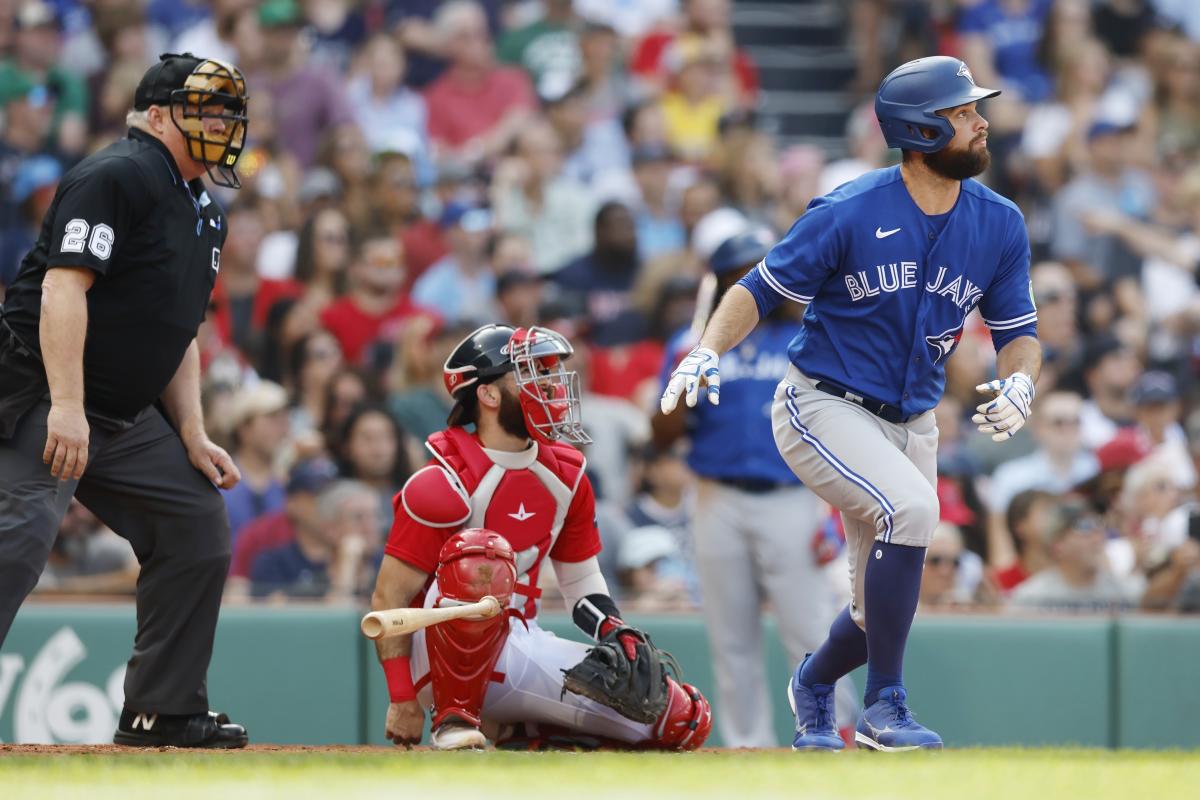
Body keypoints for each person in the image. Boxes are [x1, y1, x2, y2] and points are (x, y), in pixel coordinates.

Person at [662, 57, 1042, 752]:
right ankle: (884, 708)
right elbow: (760, 286)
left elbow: (1019, 332)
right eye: (964, 113)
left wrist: (1021, 381)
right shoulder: (849, 208)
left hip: (913, 419)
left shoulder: (1000, 221)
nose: (982, 121)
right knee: (915, 511)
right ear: (922, 130)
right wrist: (708, 348)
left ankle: (813, 681)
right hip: (821, 405)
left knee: (878, 609)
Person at [0, 53, 250, 748]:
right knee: (17, 541)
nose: (225, 124)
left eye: (229, 111)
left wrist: (193, 432)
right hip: (35, 392)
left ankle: (162, 710)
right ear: (160, 114)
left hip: (121, 412)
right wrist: (67, 404)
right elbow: (62, 288)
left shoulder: (203, 209)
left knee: (194, 525)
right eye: (209, 109)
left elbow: (180, 330)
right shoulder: (119, 173)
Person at [371, 324, 711, 750]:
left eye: (551, 373)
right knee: (484, 554)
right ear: (489, 394)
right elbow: (388, 598)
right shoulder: (442, 479)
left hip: (518, 643)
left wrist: (612, 628)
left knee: (683, 720)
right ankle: (454, 719)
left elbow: (581, 581)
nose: (550, 386)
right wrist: (401, 698)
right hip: (436, 661)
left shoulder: (566, 476)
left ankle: (522, 735)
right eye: (533, 373)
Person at [653, 230, 858, 747]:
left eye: (762, 267)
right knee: (731, 637)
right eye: (738, 271)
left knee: (810, 630)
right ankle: (748, 746)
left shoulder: (809, 335)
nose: (754, 278)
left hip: (791, 494)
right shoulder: (695, 343)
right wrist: (687, 369)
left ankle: (836, 734)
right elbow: (661, 431)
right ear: (721, 283)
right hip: (716, 496)